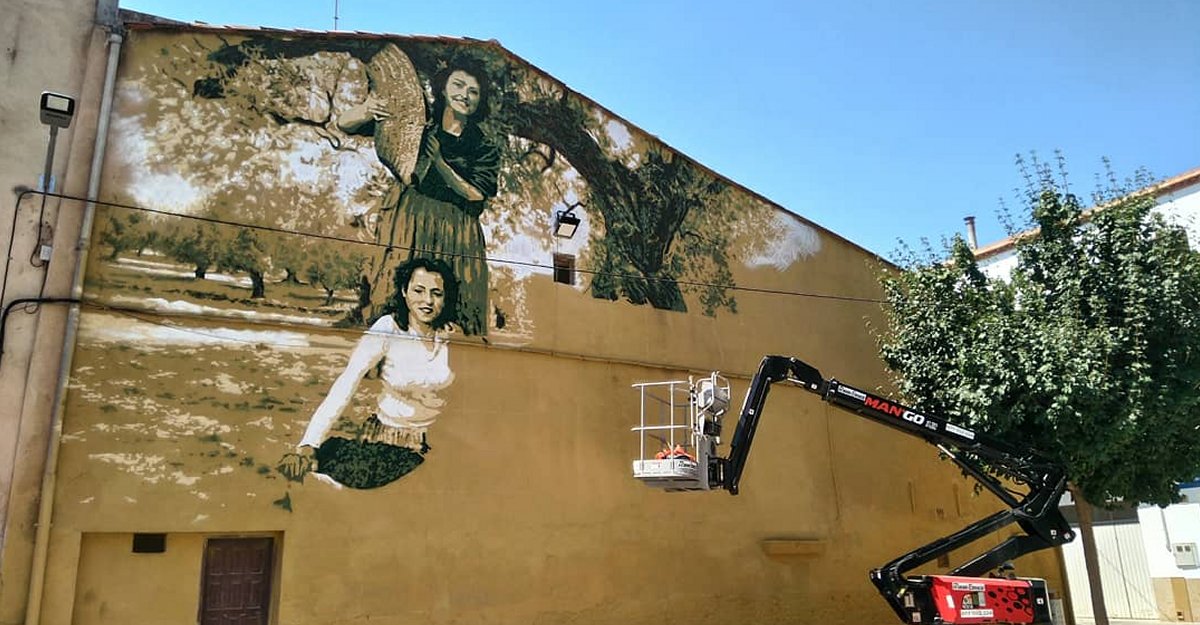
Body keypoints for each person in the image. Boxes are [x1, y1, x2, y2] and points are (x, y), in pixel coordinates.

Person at [340, 57, 500, 336]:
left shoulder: (483, 145)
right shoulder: (419, 123)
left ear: (480, 100)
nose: (465, 94)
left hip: (457, 229)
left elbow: (476, 195)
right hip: (408, 219)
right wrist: (366, 110)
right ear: (443, 89)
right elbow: (345, 124)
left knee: (453, 300)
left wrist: (439, 163)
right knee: (397, 290)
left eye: (473, 91)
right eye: (458, 85)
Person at [277, 257, 459, 489]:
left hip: (440, 442)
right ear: (404, 291)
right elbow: (348, 380)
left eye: (436, 293)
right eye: (418, 290)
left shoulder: (452, 336)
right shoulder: (388, 328)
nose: (428, 301)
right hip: (389, 442)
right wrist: (310, 441)